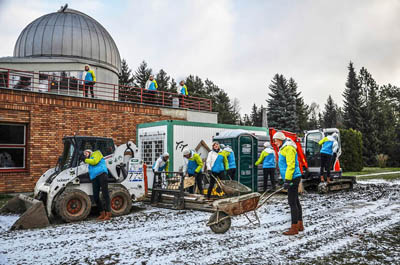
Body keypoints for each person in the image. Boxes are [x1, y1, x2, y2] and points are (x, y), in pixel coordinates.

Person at [273, 131, 304, 235]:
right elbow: (284, 166)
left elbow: (291, 165)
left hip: (293, 178)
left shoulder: (289, 148)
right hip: (292, 177)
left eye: (276, 140)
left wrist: (288, 180)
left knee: (292, 202)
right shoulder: (284, 148)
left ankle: (294, 228)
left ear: (280, 140)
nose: (275, 142)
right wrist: (283, 178)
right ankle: (300, 225)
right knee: (296, 201)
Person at [84, 149, 111, 221]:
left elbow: (94, 162)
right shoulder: (89, 160)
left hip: (102, 175)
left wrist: (85, 160)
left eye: (86, 153)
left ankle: (108, 214)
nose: (85, 154)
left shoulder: (97, 153)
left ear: (89, 152)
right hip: (94, 178)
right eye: (84, 154)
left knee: (105, 194)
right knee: (95, 196)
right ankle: (102, 213)